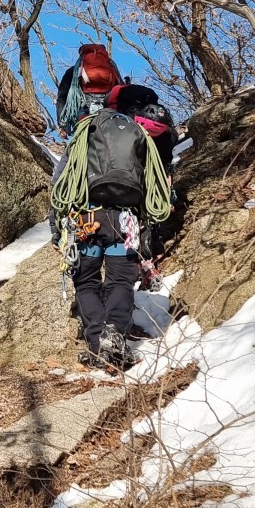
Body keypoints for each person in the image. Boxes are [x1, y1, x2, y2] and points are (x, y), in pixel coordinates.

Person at [50, 44, 178, 371]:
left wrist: (56, 225)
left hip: (86, 218)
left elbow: (62, 178)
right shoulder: (137, 131)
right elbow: (153, 179)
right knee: (121, 282)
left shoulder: (84, 131)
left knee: (88, 281)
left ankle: (97, 344)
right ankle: (115, 336)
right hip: (125, 221)